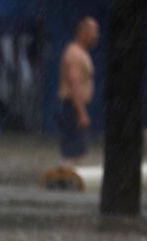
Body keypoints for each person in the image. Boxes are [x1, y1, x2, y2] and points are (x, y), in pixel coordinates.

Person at [55, 17, 99, 165]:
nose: (96, 36)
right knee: (72, 152)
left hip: (73, 106)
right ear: (82, 32)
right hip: (71, 106)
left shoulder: (81, 53)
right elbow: (74, 84)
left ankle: (68, 178)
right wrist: (81, 113)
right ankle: (64, 179)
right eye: (93, 32)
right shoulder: (74, 54)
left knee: (77, 150)